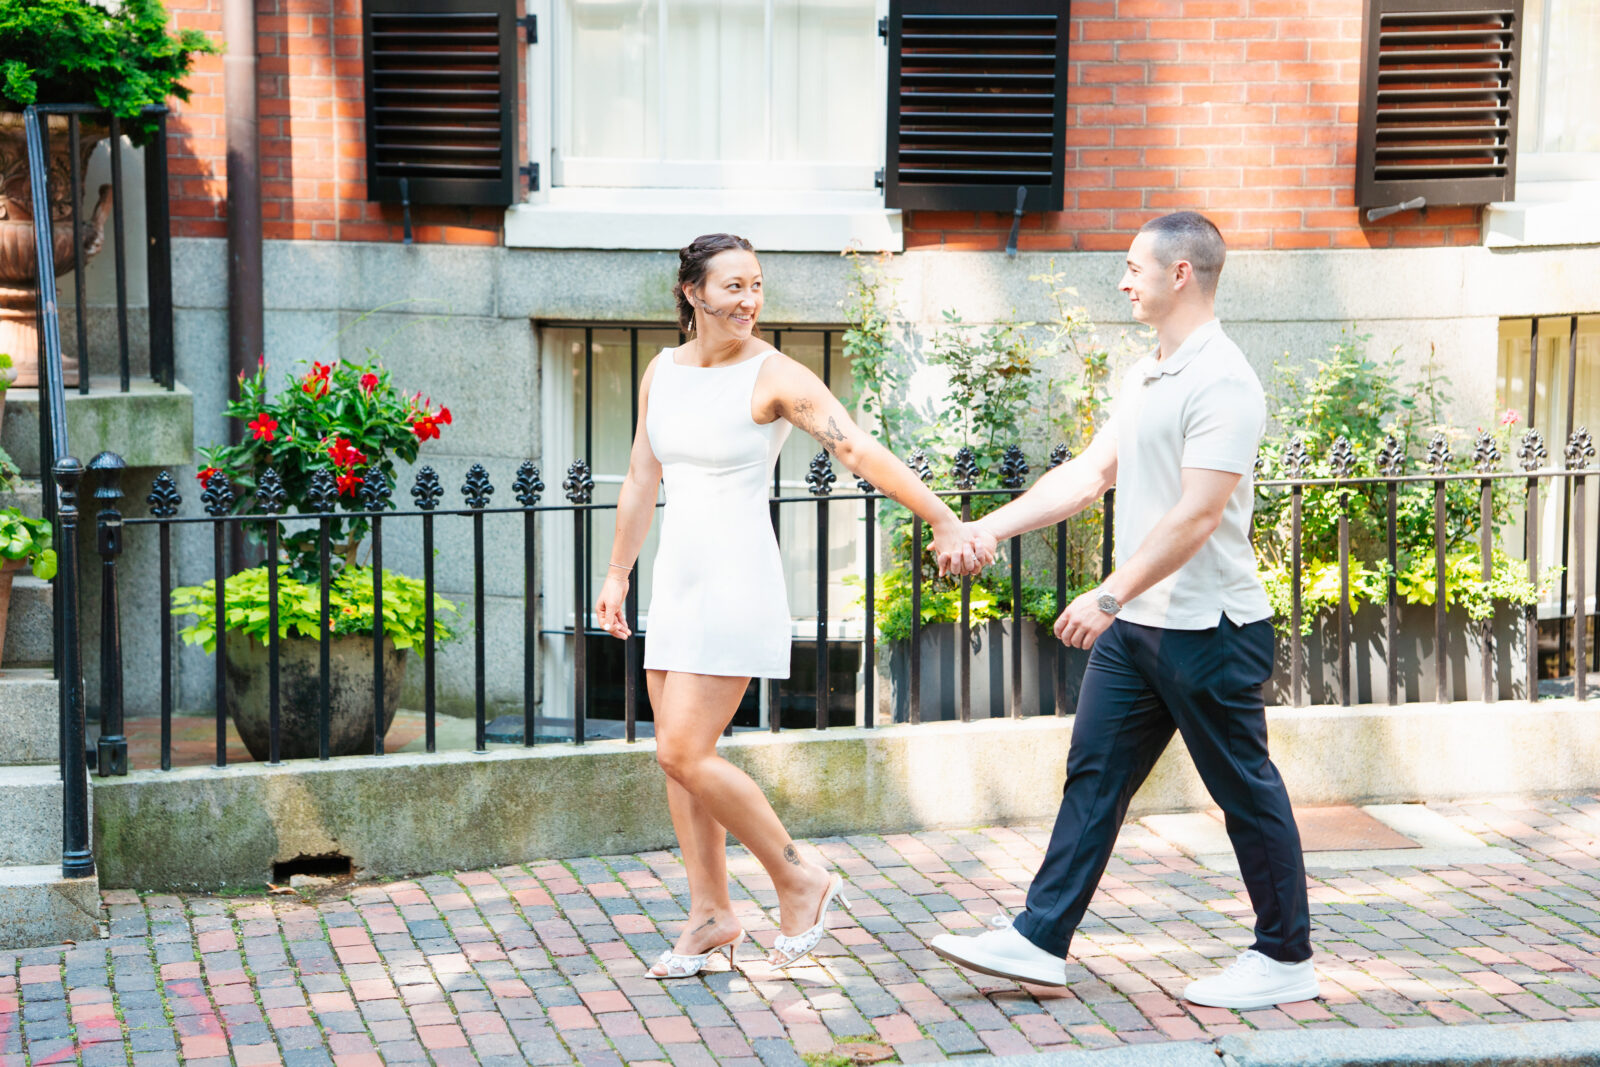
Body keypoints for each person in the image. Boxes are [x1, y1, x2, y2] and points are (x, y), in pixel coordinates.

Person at [926, 212, 1320, 1011]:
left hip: (1209, 629)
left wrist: (1109, 593)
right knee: (1094, 776)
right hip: (1141, 630)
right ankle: (1039, 939)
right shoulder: (1149, 375)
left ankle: (1286, 956)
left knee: (1243, 788)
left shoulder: (1226, 381)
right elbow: (1086, 475)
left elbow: (1197, 515)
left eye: (1134, 265)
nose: (1122, 278)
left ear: (1182, 274)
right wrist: (985, 528)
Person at [595, 233, 988, 979]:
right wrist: (618, 573)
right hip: (675, 582)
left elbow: (857, 449)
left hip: (736, 581)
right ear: (692, 292)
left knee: (682, 749)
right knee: (679, 766)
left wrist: (942, 516)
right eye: (733, 286)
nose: (748, 300)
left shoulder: (775, 374)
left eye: (756, 285)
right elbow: (642, 475)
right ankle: (710, 914)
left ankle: (798, 875)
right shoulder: (662, 372)